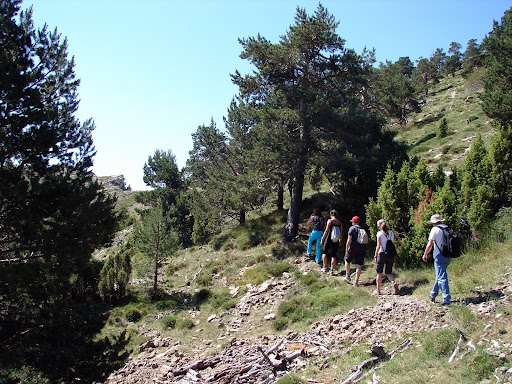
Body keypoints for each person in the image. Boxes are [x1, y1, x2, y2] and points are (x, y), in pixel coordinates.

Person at [422, 214, 451, 305]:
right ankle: (433, 294)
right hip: (448, 255)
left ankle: (446, 299)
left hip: (439, 255)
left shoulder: (435, 229)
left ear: (434, 222)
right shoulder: (447, 228)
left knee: (442, 277)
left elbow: (430, 243)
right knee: (440, 275)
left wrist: (425, 254)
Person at [374, 219, 399, 295]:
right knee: (388, 272)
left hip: (382, 254)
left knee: (379, 272)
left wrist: (375, 255)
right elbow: (393, 242)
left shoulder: (379, 234)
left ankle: (378, 290)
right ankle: (393, 282)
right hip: (390, 254)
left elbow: (378, 246)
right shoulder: (391, 233)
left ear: (379, 226)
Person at [344, 216, 366, 286]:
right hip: (362, 248)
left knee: (347, 260)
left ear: (354, 222)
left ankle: (347, 276)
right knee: (359, 265)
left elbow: (349, 240)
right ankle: (356, 281)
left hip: (353, 247)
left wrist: (346, 249)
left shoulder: (352, 228)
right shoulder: (362, 228)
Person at [320, 209, 343, 275]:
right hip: (336, 240)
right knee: (334, 255)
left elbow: (326, 230)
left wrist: (322, 239)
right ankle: (332, 270)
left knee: (324, 252)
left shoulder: (330, 221)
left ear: (331, 214)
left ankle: (325, 267)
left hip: (329, 238)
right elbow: (341, 232)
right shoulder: (339, 222)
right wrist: (340, 240)